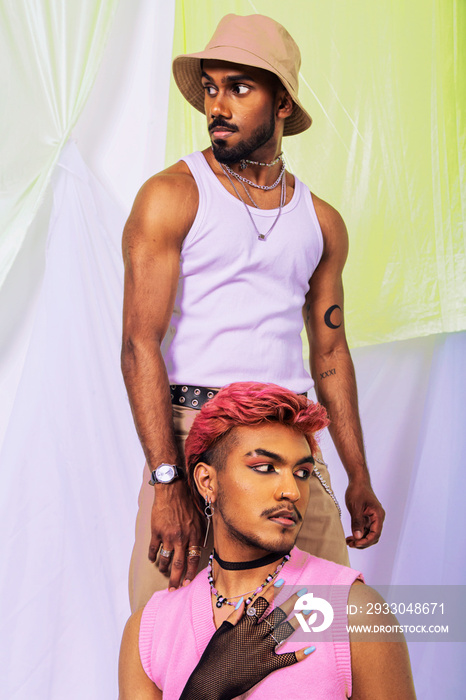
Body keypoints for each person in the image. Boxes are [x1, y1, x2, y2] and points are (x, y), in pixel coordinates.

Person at [121, 13, 385, 611]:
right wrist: (168, 482)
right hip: (196, 439)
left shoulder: (321, 223)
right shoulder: (172, 195)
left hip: (294, 444)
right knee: (171, 630)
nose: (218, 104)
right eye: (211, 87)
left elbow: (331, 355)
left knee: (325, 627)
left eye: (239, 87)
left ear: (283, 102)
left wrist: (357, 476)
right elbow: (139, 343)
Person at [118, 383, 415, 699]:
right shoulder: (149, 629)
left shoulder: (354, 612)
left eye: (301, 472)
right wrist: (205, 689)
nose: (291, 491)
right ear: (207, 481)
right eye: (265, 467)